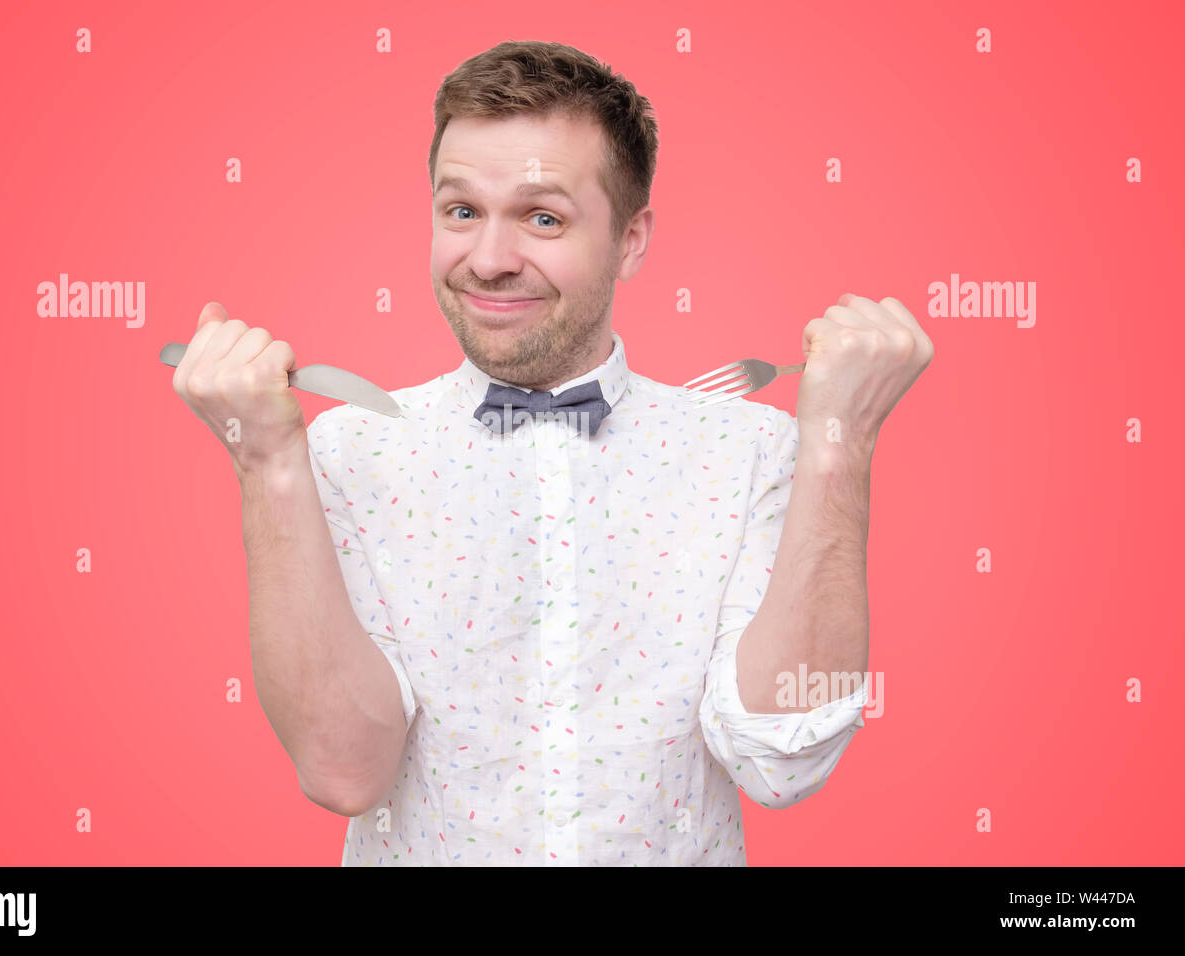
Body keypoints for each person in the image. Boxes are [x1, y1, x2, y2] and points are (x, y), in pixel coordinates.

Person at [172, 40, 933, 865]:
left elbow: (783, 760)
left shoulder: (752, 453)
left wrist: (841, 444)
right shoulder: (348, 450)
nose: (491, 261)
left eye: (543, 217)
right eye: (461, 210)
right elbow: (345, 769)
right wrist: (267, 464)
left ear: (632, 240)